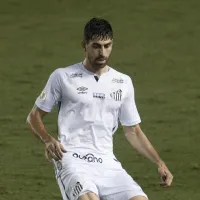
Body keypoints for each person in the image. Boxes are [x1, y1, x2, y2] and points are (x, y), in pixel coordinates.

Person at [26, 17, 173, 200]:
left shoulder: (123, 82)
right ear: (84, 45)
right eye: (96, 46)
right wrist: (47, 139)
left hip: (106, 162)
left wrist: (159, 162)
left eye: (107, 45)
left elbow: (133, 131)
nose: (102, 52)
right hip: (71, 158)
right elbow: (33, 117)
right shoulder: (62, 76)